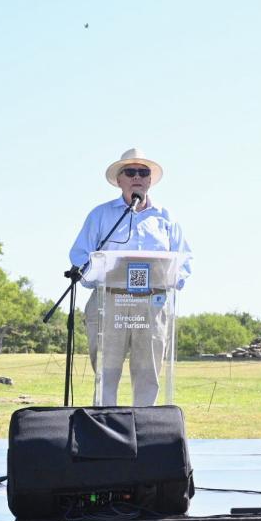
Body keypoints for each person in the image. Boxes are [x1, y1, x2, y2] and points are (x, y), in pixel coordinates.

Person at [70, 148, 192, 406]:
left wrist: (173, 278)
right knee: (107, 372)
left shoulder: (165, 218)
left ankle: (145, 430)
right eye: (130, 171)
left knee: (148, 373)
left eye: (143, 172)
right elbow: (79, 255)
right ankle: (105, 429)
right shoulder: (101, 215)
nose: (137, 176)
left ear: (150, 180)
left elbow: (183, 260)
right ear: (119, 179)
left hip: (153, 302)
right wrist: (99, 273)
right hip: (110, 301)